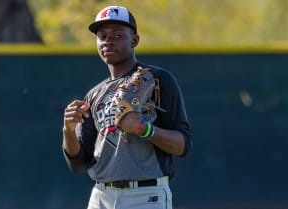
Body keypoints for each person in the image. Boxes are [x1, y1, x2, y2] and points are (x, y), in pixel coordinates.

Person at [62, 5, 191, 209]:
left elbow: (182, 145)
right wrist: (68, 130)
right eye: (102, 35)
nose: (108, 40)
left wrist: (142, 128)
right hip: (101, 196)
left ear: (134, 40)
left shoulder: (157, 79)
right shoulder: (94, 95)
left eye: (117, 34)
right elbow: (78, 164)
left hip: (145, 195)